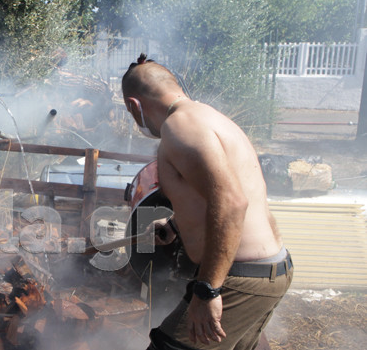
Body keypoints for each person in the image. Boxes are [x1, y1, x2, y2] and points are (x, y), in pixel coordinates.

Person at [121, 56, 292, 350]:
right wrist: (175, 225)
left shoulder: (180, 128)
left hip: (240, 276)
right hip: (269, 271)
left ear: (135, 106)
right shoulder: (208, 117)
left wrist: (207, 291)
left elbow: (233, 204)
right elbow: (218, 195)